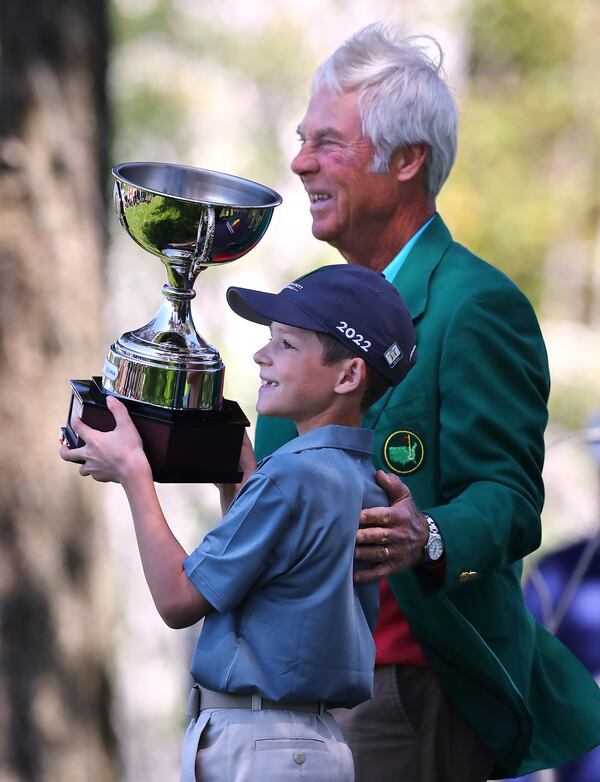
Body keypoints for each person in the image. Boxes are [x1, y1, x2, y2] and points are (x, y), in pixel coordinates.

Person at [254, 23, 600, 782]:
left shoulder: (476, 306)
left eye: (329, 144)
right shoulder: (308, 306)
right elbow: (275, 497)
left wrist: (429, 535)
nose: (300, 160)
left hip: (399, 695)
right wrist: (176, 453)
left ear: (407, 160)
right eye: (302, 138)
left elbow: (509, 501)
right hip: (278, 683)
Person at [60, 263, 419, 782]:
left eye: (288, 345)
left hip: (262, 748)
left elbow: (179, 599)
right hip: (300, 743)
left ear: (348, 375)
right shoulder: (353, 475)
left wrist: (133, 472)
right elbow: (274, 585)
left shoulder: (292, 476)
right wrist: (236, 485)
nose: (261, 355)